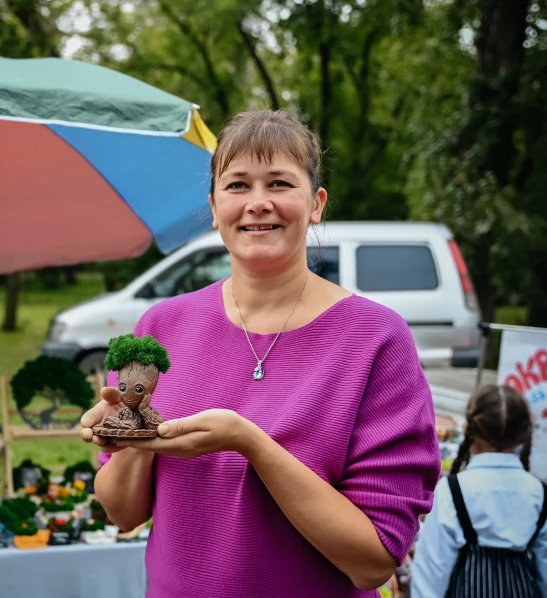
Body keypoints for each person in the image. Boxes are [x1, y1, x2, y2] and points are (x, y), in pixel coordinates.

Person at [79, 109, 442, 597]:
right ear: (213, 206)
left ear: (316, 204)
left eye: (279, 183)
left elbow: (373, 560)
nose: (258, 203)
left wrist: (249, 442)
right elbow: (121, 512)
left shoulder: (375, 339)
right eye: (237, 186)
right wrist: (131, 429)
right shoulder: (161, 327)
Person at [411, 385, 547, 597]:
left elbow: (431, 572)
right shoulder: (539, 493)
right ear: (523, 435)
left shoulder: (452, 491)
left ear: (468, 430)